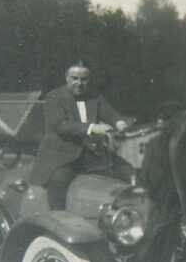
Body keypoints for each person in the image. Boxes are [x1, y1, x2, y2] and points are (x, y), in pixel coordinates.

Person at [29, 63, 133, 209]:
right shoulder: (54, 96)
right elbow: (60, 125)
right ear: (67, 78)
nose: (79, 83)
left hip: (92, 155)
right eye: (75, 78)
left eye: (84, 79)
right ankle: (58, 217)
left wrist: (120, 122)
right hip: (62, 156)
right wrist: (93, 128)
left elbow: (109, 113)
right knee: (59, 180)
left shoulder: (94, 96)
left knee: (128, 172)